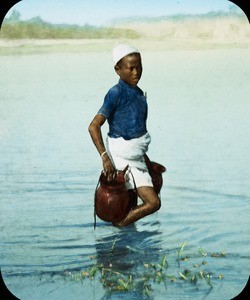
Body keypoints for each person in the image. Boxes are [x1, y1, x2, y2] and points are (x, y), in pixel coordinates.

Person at [88, 43, 161, 227]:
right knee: (153, 203)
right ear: (117, 70)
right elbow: (93, 126)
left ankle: (125, 246)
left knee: (129, 205)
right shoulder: (115, 93)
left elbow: (137, 129)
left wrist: (145, 158)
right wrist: (105, 158)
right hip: (121, 158)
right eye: (131, 68)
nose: (136, 72)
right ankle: (119, 226)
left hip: (135, 157)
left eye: (139, 67)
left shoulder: (138, 94)